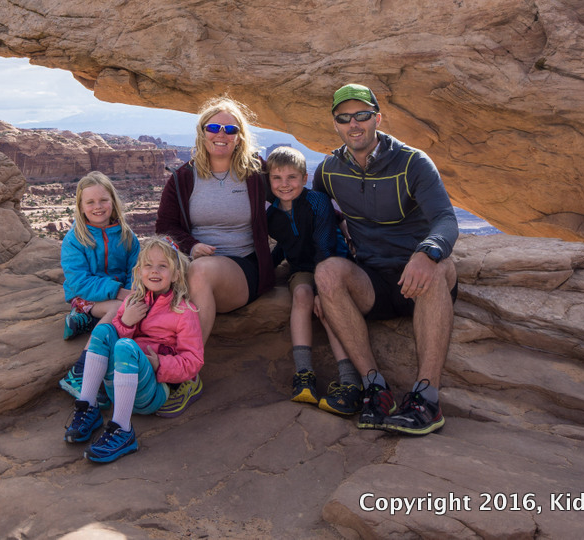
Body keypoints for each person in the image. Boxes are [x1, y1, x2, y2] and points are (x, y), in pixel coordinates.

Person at [312, 83, 459, 436]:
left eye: (362, 115)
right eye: (344, 118)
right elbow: (314, 219)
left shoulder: (412, 162)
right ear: (336, 124)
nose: (354, 124)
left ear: (377, 118)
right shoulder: (330, 170)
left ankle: (426, 398)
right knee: (327, 273)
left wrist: (428, 252)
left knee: (439, 267)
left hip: (418, 280)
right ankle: (375, 389)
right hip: (373, 282)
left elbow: (445, 219)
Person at [155, 96, 273, 412]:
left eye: (230, 129)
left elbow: (293, 199)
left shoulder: (256, 173)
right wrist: (191, 244)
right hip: (194, 261)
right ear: (202, 132)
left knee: (200, 271)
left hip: (242, 266)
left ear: (240, 136)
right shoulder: (183, 177)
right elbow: (164, 226)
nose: (221, 134)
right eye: (214, 127)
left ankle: (187, 374)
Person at [63, 236, 204, 463]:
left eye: (163, 266)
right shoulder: (132, 302)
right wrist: (127, 323)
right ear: (139, 272)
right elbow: (110, 343)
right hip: (117, 386)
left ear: (176, 274)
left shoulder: (184, 311)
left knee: (125, 346)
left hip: (151, 392)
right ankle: (88, 406)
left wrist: (161, 364)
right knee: (103, 332)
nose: (154, 271)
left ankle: (122, 428)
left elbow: (194, 361)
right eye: (148, 265)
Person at [263, 146, 361, 416]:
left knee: (330, 308)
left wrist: (323, 291)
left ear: (304, 178)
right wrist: (264, 272)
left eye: (292, 177)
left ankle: (350, 381)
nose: (285, 185)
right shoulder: (271, 217)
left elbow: (325, 246)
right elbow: (284, 245)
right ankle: (304, 375)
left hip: (332, 266)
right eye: (277, 178)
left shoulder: (317, 201)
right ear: (269, 181)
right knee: (302, 295)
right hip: (302, 270)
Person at [58, 172, 138, 397]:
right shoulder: (74, 239)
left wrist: (132, 291)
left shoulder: (126, 235)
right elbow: (79, 281)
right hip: (84, 294)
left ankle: (83, 320)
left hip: (118, 293)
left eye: (103, 200)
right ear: (81, 207)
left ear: (113, 201)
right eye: (90, 202)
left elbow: (135, 269)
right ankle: (79, 373)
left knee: (135, 310)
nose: (98, 207)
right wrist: (119, 292)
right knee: (116, 310)